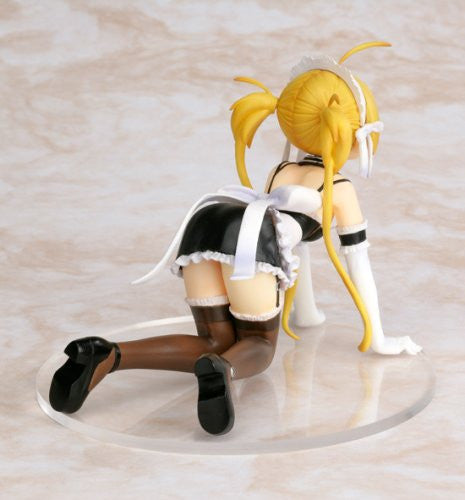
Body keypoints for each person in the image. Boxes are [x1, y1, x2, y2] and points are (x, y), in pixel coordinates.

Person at [49, 41, 422, 436]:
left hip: (208, 222)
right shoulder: (340, 188)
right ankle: (222, 371)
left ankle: (108, 354)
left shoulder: (281, 170)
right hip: (250, 244)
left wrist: (307, 314)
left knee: (214, 340)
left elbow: (291, 245)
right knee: (257, 346)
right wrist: (377, 337)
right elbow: (354, 262)